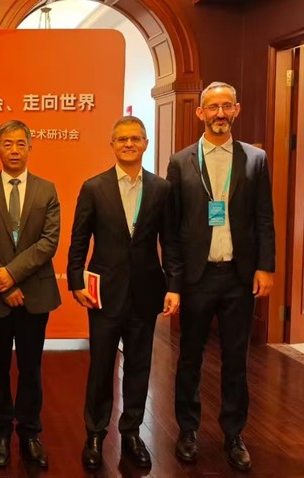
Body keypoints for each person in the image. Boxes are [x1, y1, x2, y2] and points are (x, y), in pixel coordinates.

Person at [168, 82, 275, 472]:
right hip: (197, 276)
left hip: (238, 276)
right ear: (200, 113)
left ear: (237, 110)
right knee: (190, 357)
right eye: (212, 107)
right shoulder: (180, 161)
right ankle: (188, 430)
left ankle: (234, 434)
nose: (219, 113)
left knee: (235, 359)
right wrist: (174, 282)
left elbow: (264, 217)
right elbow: (172, 228)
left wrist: (265, 266)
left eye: (226, 106)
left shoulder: (255, 159)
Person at [67, 116, 181, 470]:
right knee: (101, 365)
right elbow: (79, 239)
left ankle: (131, 432)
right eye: (122, 139)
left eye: (135, 138)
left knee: (139, 365)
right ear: (112, 144)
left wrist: (174, 286)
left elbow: (171, 242)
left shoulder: (161, 189)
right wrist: (75, 280)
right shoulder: (94, 187)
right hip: (103, 293)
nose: (129, 144)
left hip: (146, 293)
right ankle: (95, 433)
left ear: (145, 143)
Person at [0, 119, 60, 470]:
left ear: (30, 147)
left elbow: (48, 242)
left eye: (21, 143)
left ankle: (31, 432)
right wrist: (3, 282)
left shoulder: (46, 189)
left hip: (35, 294)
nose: (15, 150)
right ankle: (1, 433)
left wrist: (12, 275)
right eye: (7, 144)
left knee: (30, 367)